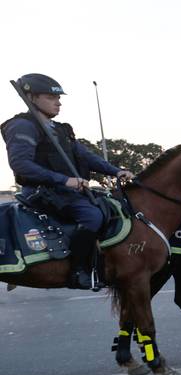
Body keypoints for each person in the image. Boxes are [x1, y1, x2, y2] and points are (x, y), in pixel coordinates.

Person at [1, 73, 134, 289]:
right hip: (41, 192)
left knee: (111, 207)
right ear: (31, 97)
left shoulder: (61, 129)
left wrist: (116, 171)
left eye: (59, 98)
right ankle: (78, 271)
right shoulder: (22, 126)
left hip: (64, 191)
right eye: (51, 98)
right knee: (92, 216)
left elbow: (86, 156)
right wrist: (64, 180)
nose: (58, 102)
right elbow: (21, 164)